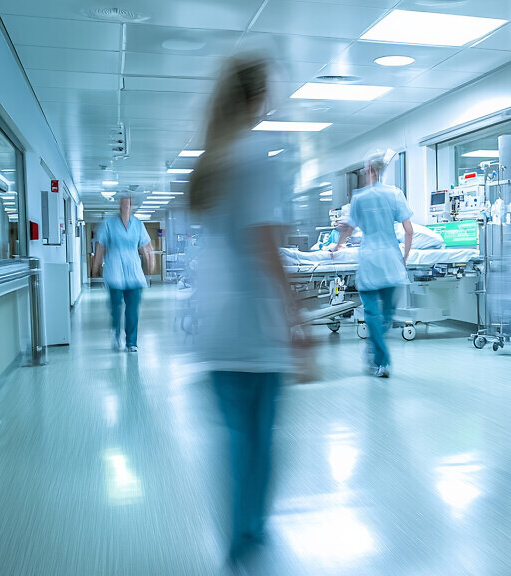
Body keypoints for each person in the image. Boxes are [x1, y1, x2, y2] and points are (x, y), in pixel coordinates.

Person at [188, 54, 302, 565]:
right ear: (258, 96)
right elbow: (264, 245)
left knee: (235, 434)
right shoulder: (256, 154)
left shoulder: (212, 157)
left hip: (215, 319)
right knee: (260, 435)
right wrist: (297, 317)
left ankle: (240, 533)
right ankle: (250, 529)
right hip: (253, 319)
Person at [332, 151, 413, 378]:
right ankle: (378, 354)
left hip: (369, 261)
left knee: (372, 314)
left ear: (368, 170)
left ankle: (380, 360)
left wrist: (338, 246)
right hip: (390, 261)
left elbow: (347, 228)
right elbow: (409, 231)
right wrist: (404, 259)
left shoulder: (359, 197)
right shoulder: (395, 194)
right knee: (386, 315)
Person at [91, 193, 155, 353]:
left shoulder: (138, 224)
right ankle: (116, 333)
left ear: (132, 203)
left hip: (133, 272)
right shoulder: (108, 223)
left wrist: (149, 263)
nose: (126, 203)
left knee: (132, 309)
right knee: (116, 307)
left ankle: (131, 342)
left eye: (129, 201)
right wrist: (96, 265)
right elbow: (101, 246)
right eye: (123, 200)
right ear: (119, 203)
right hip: (114, 271)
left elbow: (147, 247)